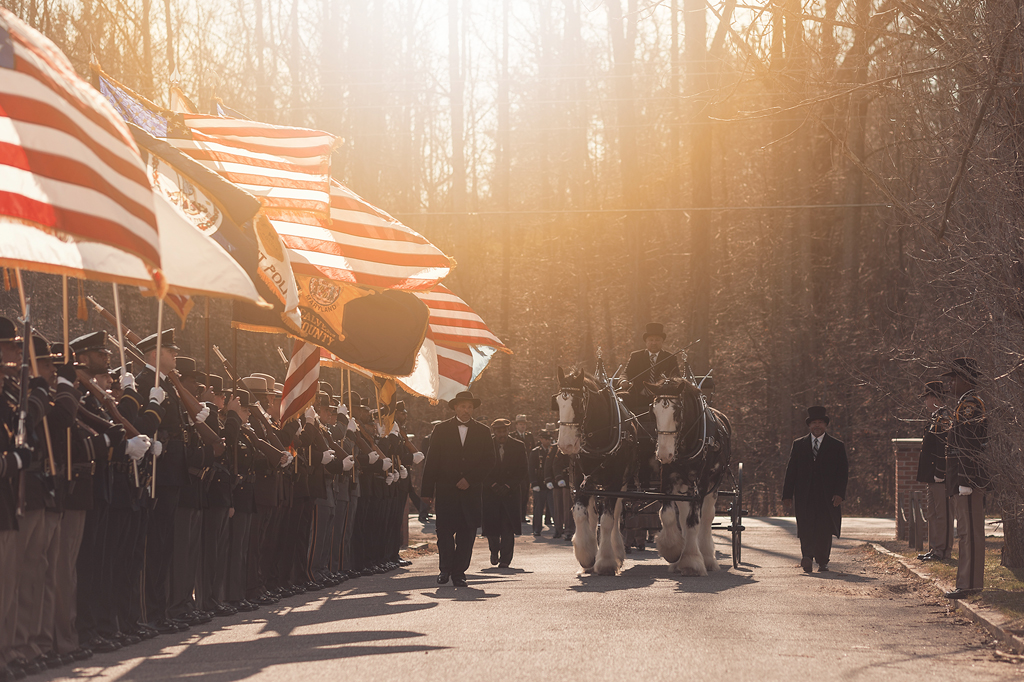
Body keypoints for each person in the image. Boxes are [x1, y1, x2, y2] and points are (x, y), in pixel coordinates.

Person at [420, 390, 496, 587]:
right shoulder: (441, 430)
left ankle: (459, 573)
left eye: (470, 407)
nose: (466, 410)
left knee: (467, 534)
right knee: (444, 534)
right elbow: (432, 462)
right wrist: (426, 494)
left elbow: (489, 461)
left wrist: (470, 479)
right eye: (463, 406)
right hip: (446, 491)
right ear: (455, 407)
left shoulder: (483, 431)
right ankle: (445, 570)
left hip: (470, 493)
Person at [942, 358, 990, 600]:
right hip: (961, 477)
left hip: (968, 478)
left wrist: (965, 480)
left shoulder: (970, 405)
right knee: (966, 532)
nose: (949, 383)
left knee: (969, 533)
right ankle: (967, 582)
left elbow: (969, 446)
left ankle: (969, 584)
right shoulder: (964, 404)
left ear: (966, 379)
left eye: (953, 378)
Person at [782, 406, 849, 573]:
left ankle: (823, 561)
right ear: (809, 426)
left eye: (820, 422)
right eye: (813, 423)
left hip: (827, 497)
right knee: (806, 527)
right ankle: (807, 557)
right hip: (805, 494)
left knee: (824, 529)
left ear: (825, 425)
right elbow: (791, 470)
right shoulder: (799, 445)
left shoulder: (836, 446)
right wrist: (787, 495)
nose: (817, 426)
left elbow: (843, 472)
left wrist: (840, 494)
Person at [481, 419, 529, 568]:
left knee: (508, 526)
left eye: (504, 431)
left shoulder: (518, 446)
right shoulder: (485, 445)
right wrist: (492, 484)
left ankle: (505, 560)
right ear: (494, 432)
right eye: (498, 431)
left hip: (510, 492)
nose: (502, 434)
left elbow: (523, 470)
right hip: (491, 492)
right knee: (492, 526)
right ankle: (494, 550)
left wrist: (509, 485)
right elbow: (479, 468)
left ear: (508, 431)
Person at [915, 380, 953, 561]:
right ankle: (934, 548)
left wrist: (940, 472)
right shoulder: (936, 418)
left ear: (934, 398)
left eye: (927, 398)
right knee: (932, 513)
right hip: (932, 475)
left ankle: (942, 550)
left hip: (940, 475)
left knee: (942, 513)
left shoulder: (944, 417)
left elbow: (943, 447)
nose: (925, 402)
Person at [528, 428, 555, 537]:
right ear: (541, 439)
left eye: (549, 439)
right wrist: (534, 483)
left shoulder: (553, 451)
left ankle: (558, 528)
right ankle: (537, 529)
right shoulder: (535, 452)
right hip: (539, 483)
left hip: (550, 483)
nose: (548, 441)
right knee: (538, 508)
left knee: (554, 507)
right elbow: (531, 468)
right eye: (545, 439)